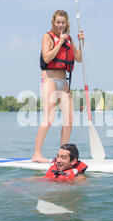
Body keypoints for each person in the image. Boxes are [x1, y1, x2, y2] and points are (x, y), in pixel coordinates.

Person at [32, 10, 84, 163]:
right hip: (49, 80)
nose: (61, 25)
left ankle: (62, 157)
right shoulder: (47, 36)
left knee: (69, 120)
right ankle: (36, 154)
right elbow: (47, 57)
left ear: (67, 23)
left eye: (63, 22)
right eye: (58, 22)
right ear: (53, 23)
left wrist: (81, 42)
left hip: (64, 82)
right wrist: (60, 42)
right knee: (49, 119)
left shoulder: (69, 39)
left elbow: (79, 58)